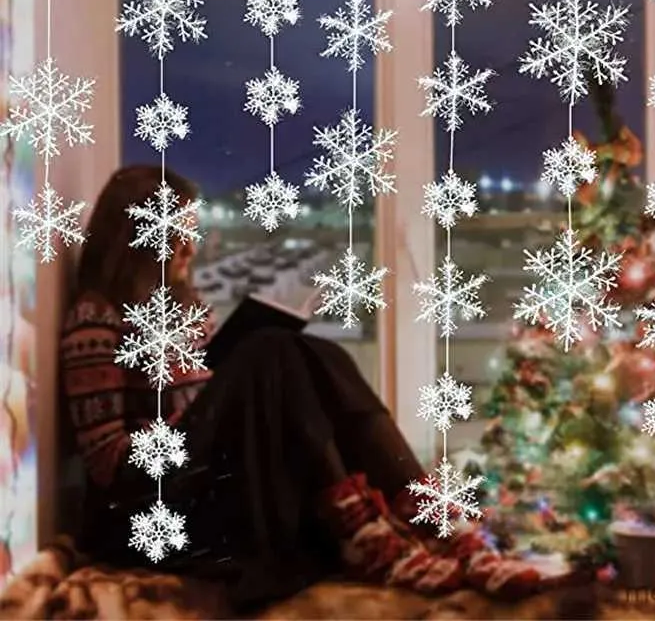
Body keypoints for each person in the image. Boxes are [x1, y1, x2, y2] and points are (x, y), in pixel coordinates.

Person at [60, 165, 544, 612]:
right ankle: (364, 532)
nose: (190, 246)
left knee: (315, 352)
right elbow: (110, 468)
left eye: (191, 231)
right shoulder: (95, 319)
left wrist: (216, 400)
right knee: (267, 350)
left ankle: (440, 523)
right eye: (175, 234)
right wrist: (200, 419)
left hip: (202, 479)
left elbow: (208, 403)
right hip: (148, 513)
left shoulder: (186, 308)